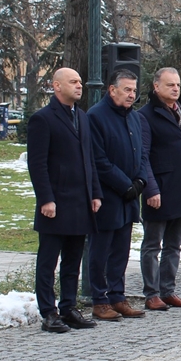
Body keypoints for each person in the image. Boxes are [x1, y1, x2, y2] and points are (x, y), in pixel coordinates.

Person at [26, 68, 102, 334]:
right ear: (57, 86)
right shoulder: (42, 119)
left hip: (80, 202)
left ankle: (68, 307)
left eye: (81, 81)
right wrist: (46, 198)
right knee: (48, 262)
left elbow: (88, 160)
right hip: (55, 203)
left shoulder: (81, 117)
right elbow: (37, 164)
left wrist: (94, 193)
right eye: (73, 82)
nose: (79, 86)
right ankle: (49, 312)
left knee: (72, 260)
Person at [139, 67, 181, 311]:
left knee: (174, 245)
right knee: (153, 244)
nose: (176, 89)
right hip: (160, 189)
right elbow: (143, 157)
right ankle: (151, 293)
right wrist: (151, 189)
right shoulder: (145, 115)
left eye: (177, 84)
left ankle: (168, 290)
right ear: (156, 87)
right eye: (170, 85)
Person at [86, 69, 147, 321]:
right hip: (108, 194)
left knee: (121, 250)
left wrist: (141, 181)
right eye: (126, 90)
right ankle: (99, 299)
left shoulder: (133, 117)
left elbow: (141, 151)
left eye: (134, 90)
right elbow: (98, 159)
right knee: (101, 250)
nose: (131, 95)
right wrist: (125, 185)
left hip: (130, 195)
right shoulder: (95, 116)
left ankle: (117, 296)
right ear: (112, 89)